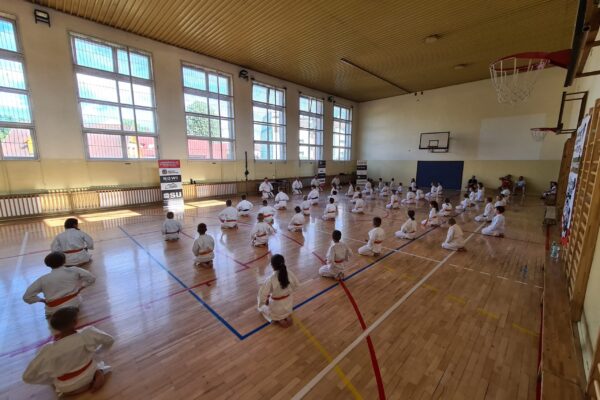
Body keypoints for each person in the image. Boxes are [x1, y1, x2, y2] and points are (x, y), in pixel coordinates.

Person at [22, 307, 114, 396]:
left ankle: (74, 387)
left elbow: (27, 377)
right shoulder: (87, 333)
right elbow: (110, 340)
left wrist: (50, 380)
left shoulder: (48, 350)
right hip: (89, 375)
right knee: (97, 362)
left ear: (55, 327)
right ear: (75, 321)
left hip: (66, 388)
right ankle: (99, 373)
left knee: (53, 371)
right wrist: (98, 353)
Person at [23, 252, 96, 318]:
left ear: (48, 265)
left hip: (53, 309)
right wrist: (82, 287)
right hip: (74, 303)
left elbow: (27, 297)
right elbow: (91, 278)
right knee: (77, 299)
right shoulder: (74, 270)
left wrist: (42, 300)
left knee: (52, 313)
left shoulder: (42, 279)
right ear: (64, 261)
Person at [257, 254, 300, 327]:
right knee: (274, 297)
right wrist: (287, 291)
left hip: (276, 307)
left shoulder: (271, 279)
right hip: (288, 303)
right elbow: (297, 285)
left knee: (260, 302)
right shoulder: (289, 272)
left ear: (272, 266)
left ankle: (279, 318)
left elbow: (262, 295)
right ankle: (286, 315)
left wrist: (263, 303)